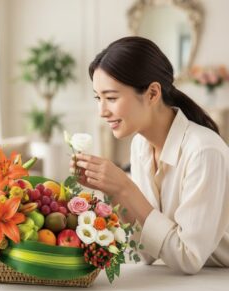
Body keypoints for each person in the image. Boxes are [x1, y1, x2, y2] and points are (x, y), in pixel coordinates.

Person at [71, 36, 229, 274]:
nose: (101, 111)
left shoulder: (203, 151)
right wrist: (112, 190)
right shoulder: (140, 145)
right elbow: (146, 252)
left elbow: (188, 258)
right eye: (98, 98)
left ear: (153, 93)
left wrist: (125, 187)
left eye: (111, 98)